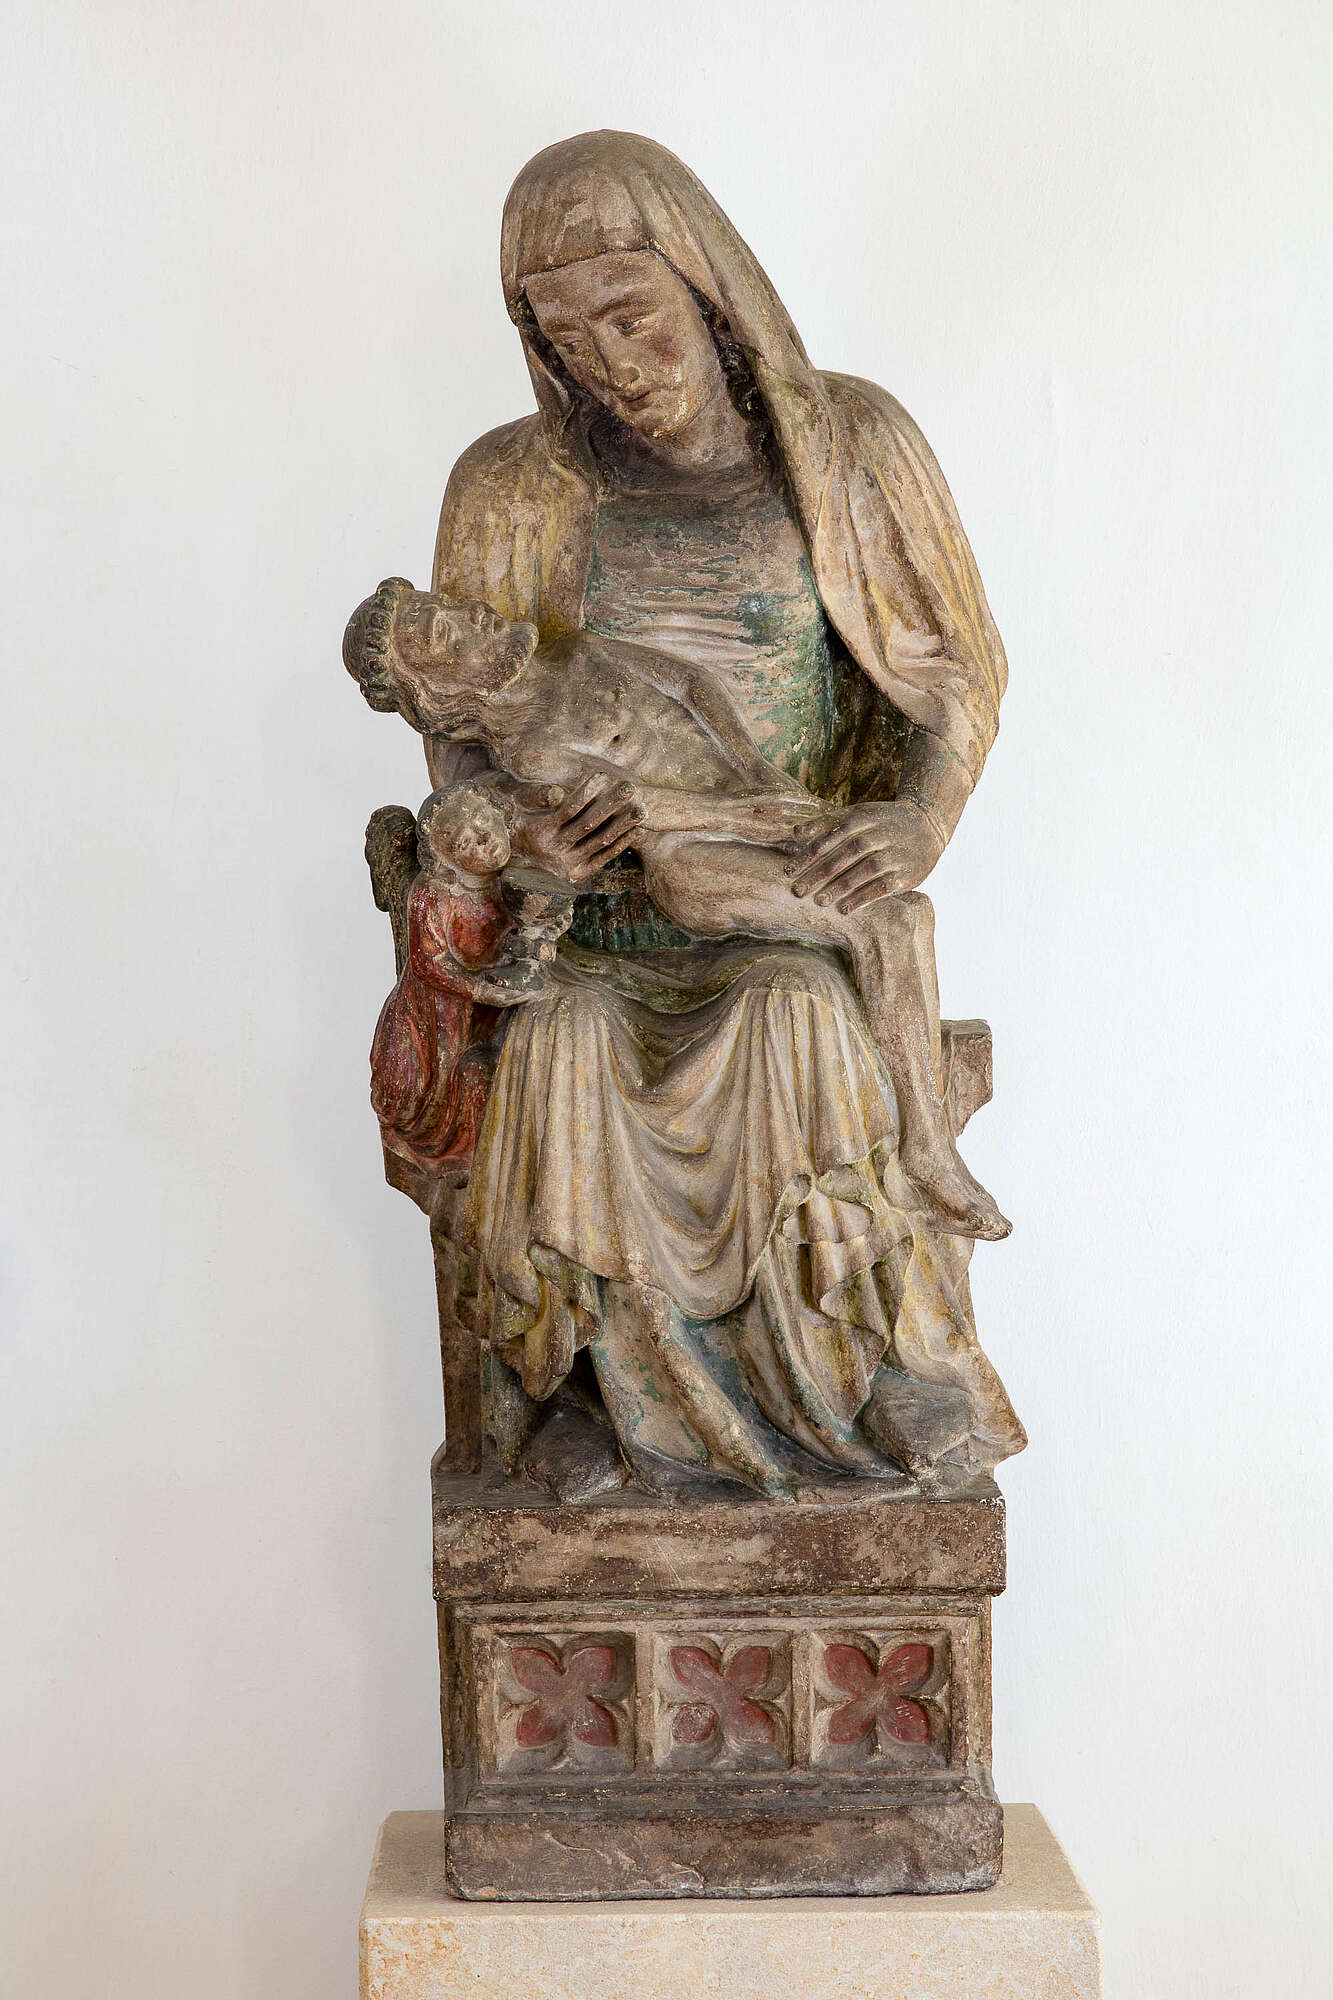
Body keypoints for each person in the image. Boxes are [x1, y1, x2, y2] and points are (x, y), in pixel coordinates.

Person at [415, 129, 1025, 1493]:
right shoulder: (511, 486)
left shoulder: (850, 446)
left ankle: (876, 1373)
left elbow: (956, 678)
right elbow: (458, 739)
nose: (613, 361)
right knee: (565, 1043)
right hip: (597, 919)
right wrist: (525, 844)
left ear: (706, 285)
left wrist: (916, 821)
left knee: (793, 1015)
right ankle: (593, 1395)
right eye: (567, 337)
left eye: (633, 314)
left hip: (784, 896)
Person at [345, 577, 1010, 1239]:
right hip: (696, 861)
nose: (469, 613)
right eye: (443, 633)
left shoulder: (575, 651)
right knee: (895, 919)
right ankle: (926, 1152)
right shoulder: (530, 754)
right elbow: (638, 812)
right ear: (438, 693)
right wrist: (762, 818)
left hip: (748, 801)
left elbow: (688, 685)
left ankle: (924, 1144)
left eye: (447, 607)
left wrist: (756, 774)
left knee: (903, 916)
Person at [369, 783, 543, 1185]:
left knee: (480, 1077)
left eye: (484, 823)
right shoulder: (432, 896)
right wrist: (484, 990)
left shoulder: (518, 882)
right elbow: (429, 965)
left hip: (485, 1010)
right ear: (446, 859)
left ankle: (475, 1152)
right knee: (421, 1089)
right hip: (433, 1014)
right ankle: (449, 1154)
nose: (484, 841)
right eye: (466, 842)